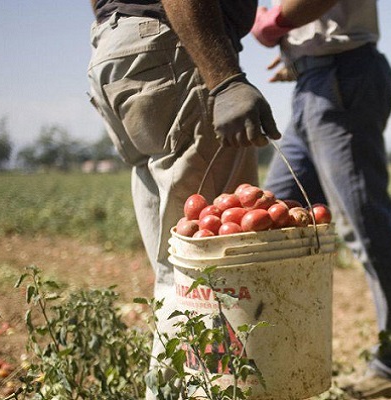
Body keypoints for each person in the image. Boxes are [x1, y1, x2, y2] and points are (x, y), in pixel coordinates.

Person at [86, 1, 279, 397]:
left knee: (180, 274)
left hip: (119, 53)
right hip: (174, 48)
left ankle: (170, 392)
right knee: (217, 276)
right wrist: (224, 79)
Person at [251, 1, 391, 397]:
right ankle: (274, 355)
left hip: (342, 76)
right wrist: (298, 52)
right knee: (272, 219)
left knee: (365, 225)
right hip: (315, 81)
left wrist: (273, 23)